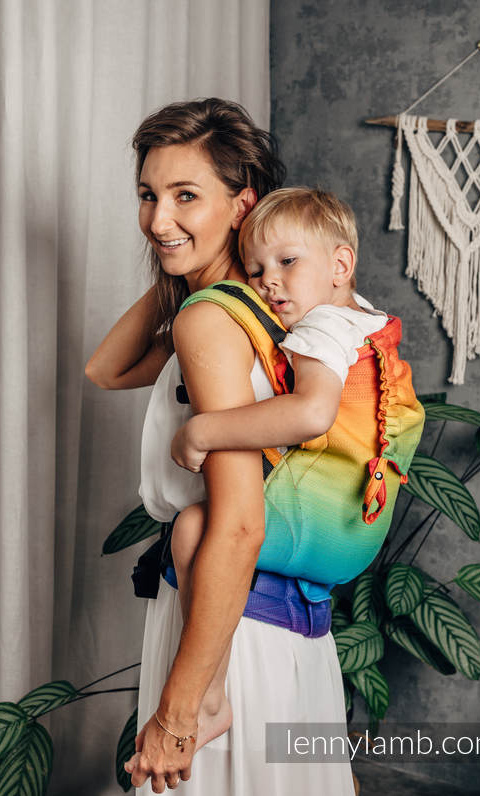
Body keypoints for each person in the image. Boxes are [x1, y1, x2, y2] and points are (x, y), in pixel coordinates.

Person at [86, 98, 357, 796]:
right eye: (148, 195)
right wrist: (181, 262)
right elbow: (105, 369)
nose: (157, 219)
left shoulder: (211, 322)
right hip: (281, 622)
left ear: (243, 205)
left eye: (186, 196)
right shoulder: (269, 308)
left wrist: (183, 710)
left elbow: (238, 522)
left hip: (226, 626)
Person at [166, 186, 395, 744]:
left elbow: (311, 414)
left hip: (322, 527)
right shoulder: (364, 319)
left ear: (341, 265)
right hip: (356, 531)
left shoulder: (321, 329)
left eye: (287, 262)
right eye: (257, 269)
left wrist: (202, 430)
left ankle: (210, 696)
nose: (269, 281)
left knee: (193, 527)